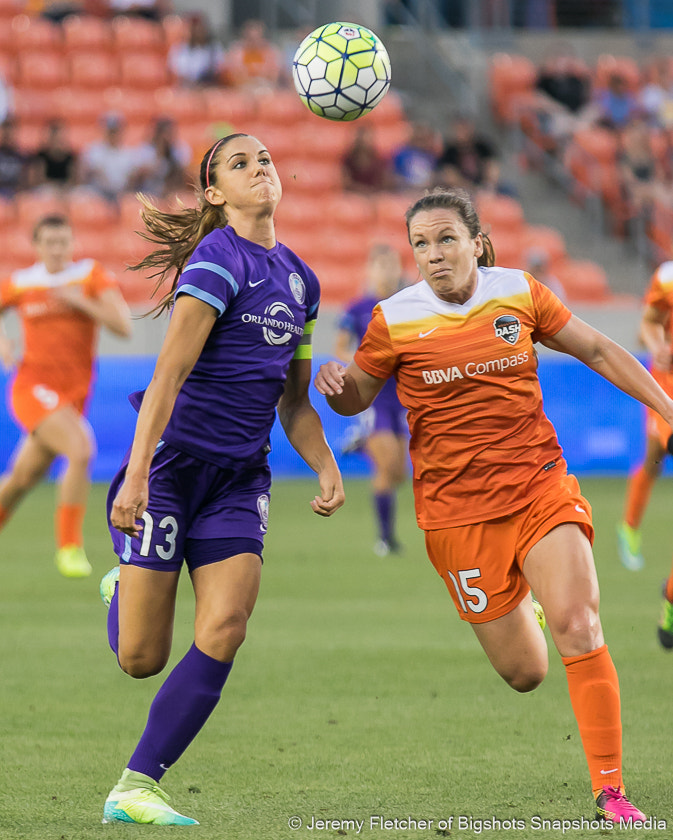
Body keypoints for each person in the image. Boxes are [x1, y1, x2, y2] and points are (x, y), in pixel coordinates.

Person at [314, 186, 673, 823]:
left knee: (580, 625)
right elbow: (358, 398)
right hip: (456, 516)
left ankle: (611, 793)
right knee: (525, 673)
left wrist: (667, 405)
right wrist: (338, 386)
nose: (432, 255)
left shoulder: (518, 291)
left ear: (477, 242)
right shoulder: (393, 318)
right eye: (420, 244)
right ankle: (524, 609)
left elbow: (596, 348)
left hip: (539, 485)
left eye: (446, 239)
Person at [98, 133, 344, 825]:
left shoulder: (301, 280)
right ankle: (122, 583)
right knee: (141, 658)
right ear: (214, 193)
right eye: (240, 163)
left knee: (227, 625)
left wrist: (324, 464)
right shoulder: (215, 259)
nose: (260, 168)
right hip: (171, 469)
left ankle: (137, 785)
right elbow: (168, 375)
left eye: (264, 159)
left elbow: (291, 400)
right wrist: (138, 476)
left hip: (241, 477)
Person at [0, 214, 131, 577]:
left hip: (73, 395)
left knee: (22, 478)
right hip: (31, 387)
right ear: (37, 246)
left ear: (72, 244)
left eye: (63, 242)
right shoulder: (23, 282)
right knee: (81, 448)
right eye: (49, 242)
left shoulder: (88, 276)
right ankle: (69, 547)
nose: (57, 249)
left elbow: (123, 326)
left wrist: (80, 303)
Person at [334, 243, 408, 556]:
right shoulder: (357, 308)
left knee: (400, 474)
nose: (386, 272)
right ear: (370, 270)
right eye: (380, 265)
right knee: (387, 467)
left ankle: (362, 443)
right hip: (374, 397)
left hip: (403, 396)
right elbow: (340, 348)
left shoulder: (410, 304)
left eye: (391, 265)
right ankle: (386, 540)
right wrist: (362, 369)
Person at [617, 259, 673, 645]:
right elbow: (648, 322)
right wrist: (659, 347)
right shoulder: (668, 277)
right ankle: (629, 527)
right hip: (667, 389)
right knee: (653, 461)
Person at [80, 113, 146, 204]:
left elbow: (133, 179)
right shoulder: (93, 151)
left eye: (116, 131)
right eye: (111, 131)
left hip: (122, 194)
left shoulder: (129, 153)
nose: (113, 134)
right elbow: (86, 175)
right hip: (98, 194)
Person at [135, 117, 191, 198]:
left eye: (170, 133)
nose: (167, 137)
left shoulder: (180, 149)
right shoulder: (146, 150)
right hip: (150, 192)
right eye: (164, 133)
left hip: (173, 192)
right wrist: (160, 152)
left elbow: (184, 173)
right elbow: (143, 174)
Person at [168, 12, 226, 87]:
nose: (197, 31)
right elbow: (177, 72)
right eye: (194, 28)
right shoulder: (179, 49)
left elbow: (219, 70)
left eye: (200, 28)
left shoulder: (214, 48)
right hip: (186, 88)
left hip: (208, 88)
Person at [222, 19, 282, 91]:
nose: (254, 42)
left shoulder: (271, 52)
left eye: (256, 38)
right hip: (241, 90)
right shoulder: (236, 52)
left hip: (265, 89)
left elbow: (273, 77)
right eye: (250, 38)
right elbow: (234, 76)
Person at [342, 126, 392, 193]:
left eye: (366, 138)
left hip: (375, 197)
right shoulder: (348, 159)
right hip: (354, 197)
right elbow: (347, 183)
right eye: (361, 137)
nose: (363, 141)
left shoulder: (378, 160)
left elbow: (383, 182)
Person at [31, 120, 79, 191]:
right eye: (55, 137)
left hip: (66, 190)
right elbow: (38, 180)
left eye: (60, 138)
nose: (57, 141)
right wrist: (55, 186)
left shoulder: (70, 156)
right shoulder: (41, 156)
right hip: (47, 189)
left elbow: (75, 180)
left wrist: (64, 187)